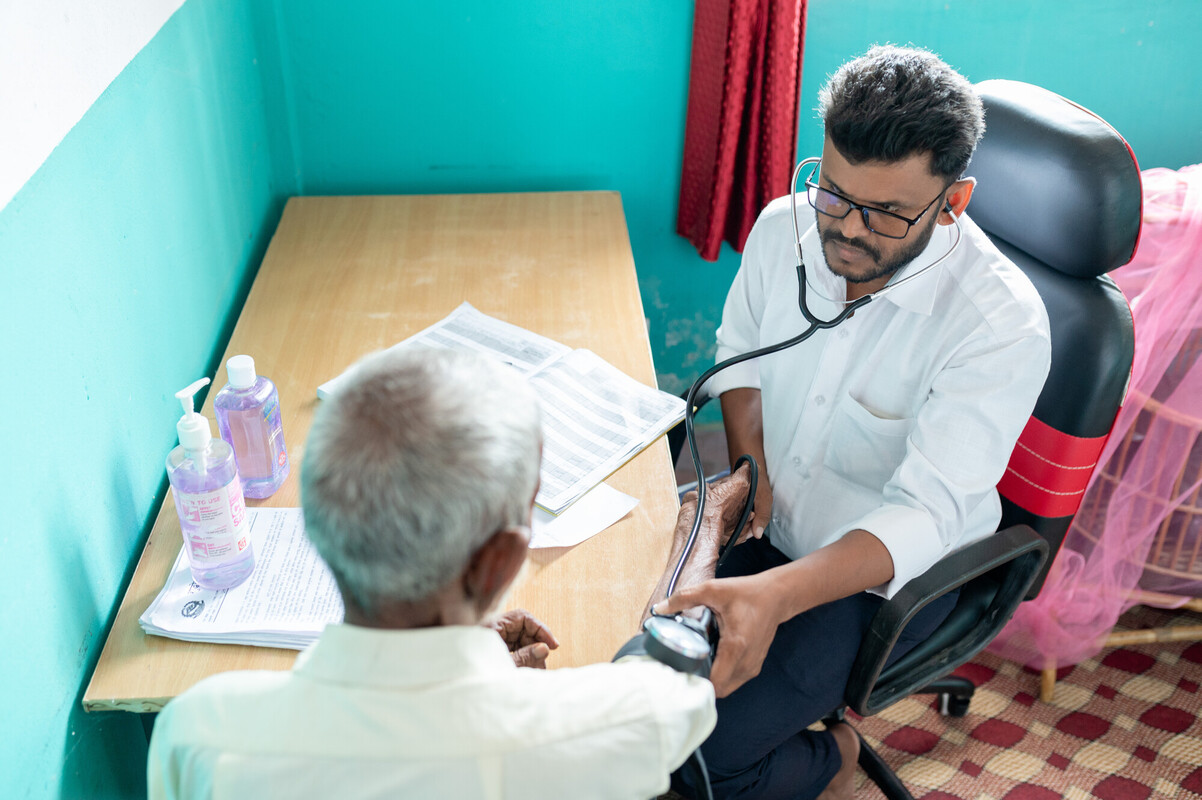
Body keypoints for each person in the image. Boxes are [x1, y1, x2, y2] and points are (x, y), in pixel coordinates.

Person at [655, 45, 1052, 799]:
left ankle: (834, 758)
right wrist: (750, 471)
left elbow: (925, 515)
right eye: (834, 193)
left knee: (700, 764)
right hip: (768, 526)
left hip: (879, 581)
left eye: (886, 212)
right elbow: (739, 353)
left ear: (953, 202)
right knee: (626, 685)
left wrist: (776, 596)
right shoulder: (786, 227)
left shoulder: (1000, 325)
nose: (845, 230)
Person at [147, 346, 752, 799]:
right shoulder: (608, 723)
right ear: (499, 562)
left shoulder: (201, 733)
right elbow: (679, 686)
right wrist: (700, 526)